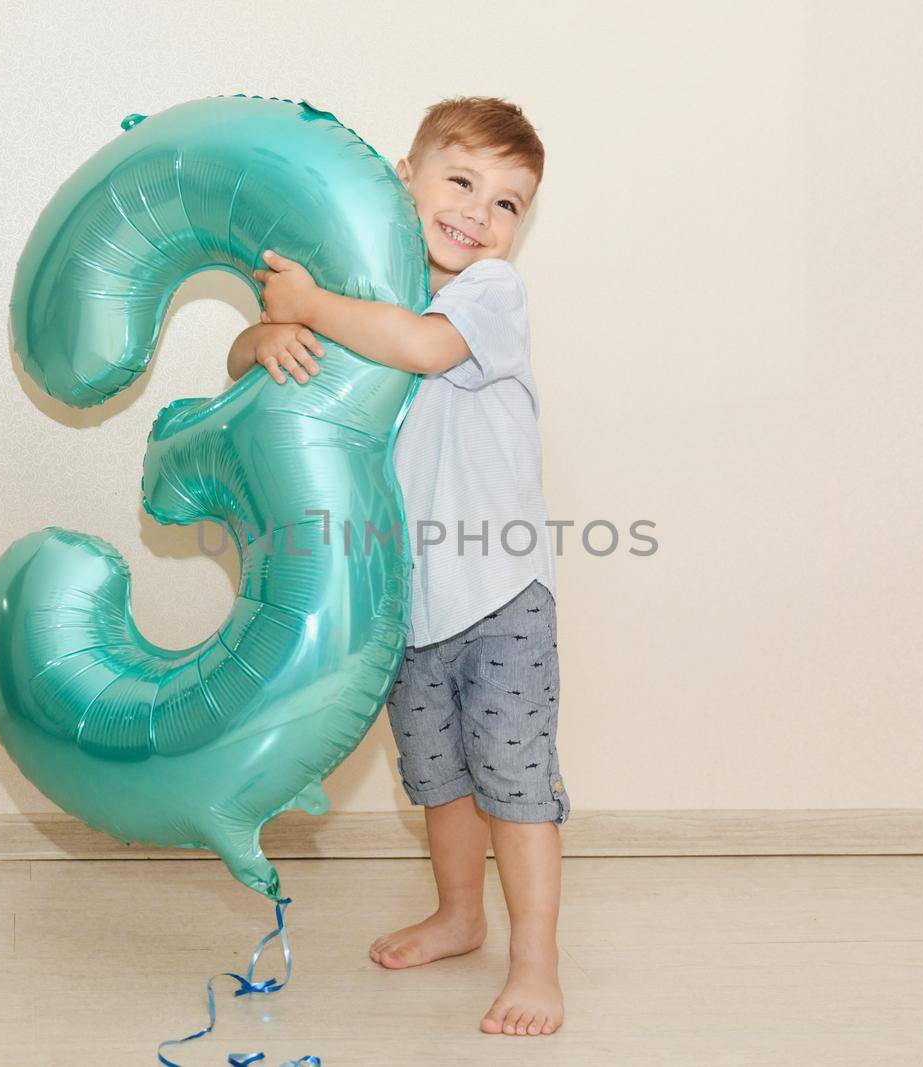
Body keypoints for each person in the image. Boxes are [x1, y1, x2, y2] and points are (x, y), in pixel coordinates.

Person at [226, 96, 565, 1038]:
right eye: (460, 182)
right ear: (403, 176)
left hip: (499, 593)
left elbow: (418, 347)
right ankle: (461, 915)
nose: (479, 215)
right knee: (441, 781)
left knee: (515, 780)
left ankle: (535, 963)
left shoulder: (488, 293)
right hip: (405, 601)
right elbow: (249, 379)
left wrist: (311, 305)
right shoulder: (360, 290)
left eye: (508, 204)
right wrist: (266, 335)